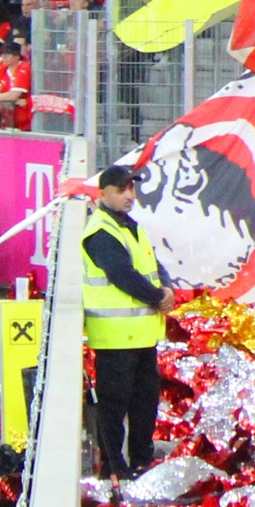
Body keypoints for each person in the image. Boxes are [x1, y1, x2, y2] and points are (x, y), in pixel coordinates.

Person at [82, 161, 171, 481]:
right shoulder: (101, 232)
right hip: (116, 339)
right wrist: (158, 297)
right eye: (121, 189)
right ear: (104, 193)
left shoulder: (129, 227)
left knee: (145, 404)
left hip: (142, 336)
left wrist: (166, 287)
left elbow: (153, 265)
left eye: (132, 188)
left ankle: (141, 460)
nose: (129, 195)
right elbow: (122, 275)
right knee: (114, 407)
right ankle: (114, 467)